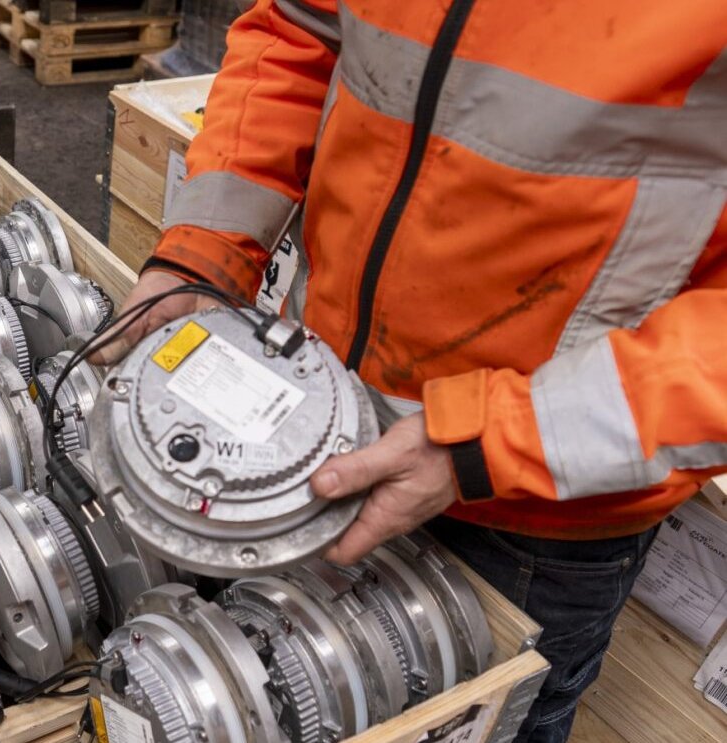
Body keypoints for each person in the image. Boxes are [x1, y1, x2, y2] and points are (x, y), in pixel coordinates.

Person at [94, 2, 727, 741]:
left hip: (536, 508)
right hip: (312, 421)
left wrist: (493, 438)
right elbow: (300, 29)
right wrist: (204, 246)